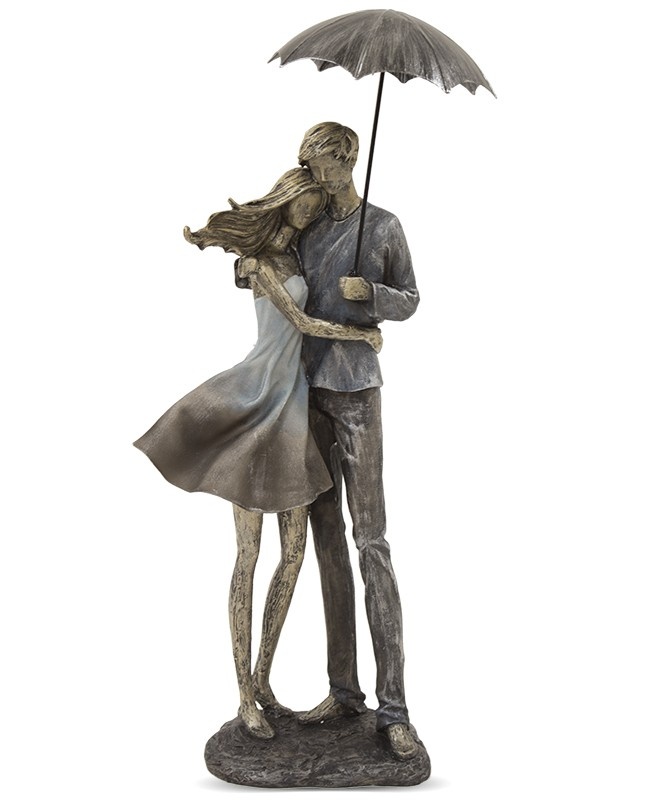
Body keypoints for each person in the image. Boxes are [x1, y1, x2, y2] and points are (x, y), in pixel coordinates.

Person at [134, 167, 381, 740]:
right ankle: (243, 693)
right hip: (257, 395)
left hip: (294, 405)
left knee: (293, 554)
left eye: (315, 201)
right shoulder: (260, 263)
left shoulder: (299, 253)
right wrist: (362, 335)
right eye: (303, 200)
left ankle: (264, 680)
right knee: (248, 554)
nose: (309, 209)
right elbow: (301, 322)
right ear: (285, 199)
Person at [295, 122, 421, 760]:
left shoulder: (385, 226)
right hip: (307, 391)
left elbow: (412, 298)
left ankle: (393, 708)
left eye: (321, 164)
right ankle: (344, 691)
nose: (314, 175)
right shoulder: (308, 228)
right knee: (326, 543)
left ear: (348, 160)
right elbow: (274, 268)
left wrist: (370, 293)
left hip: (358, 393)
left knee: (370, 541)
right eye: (308, 165)